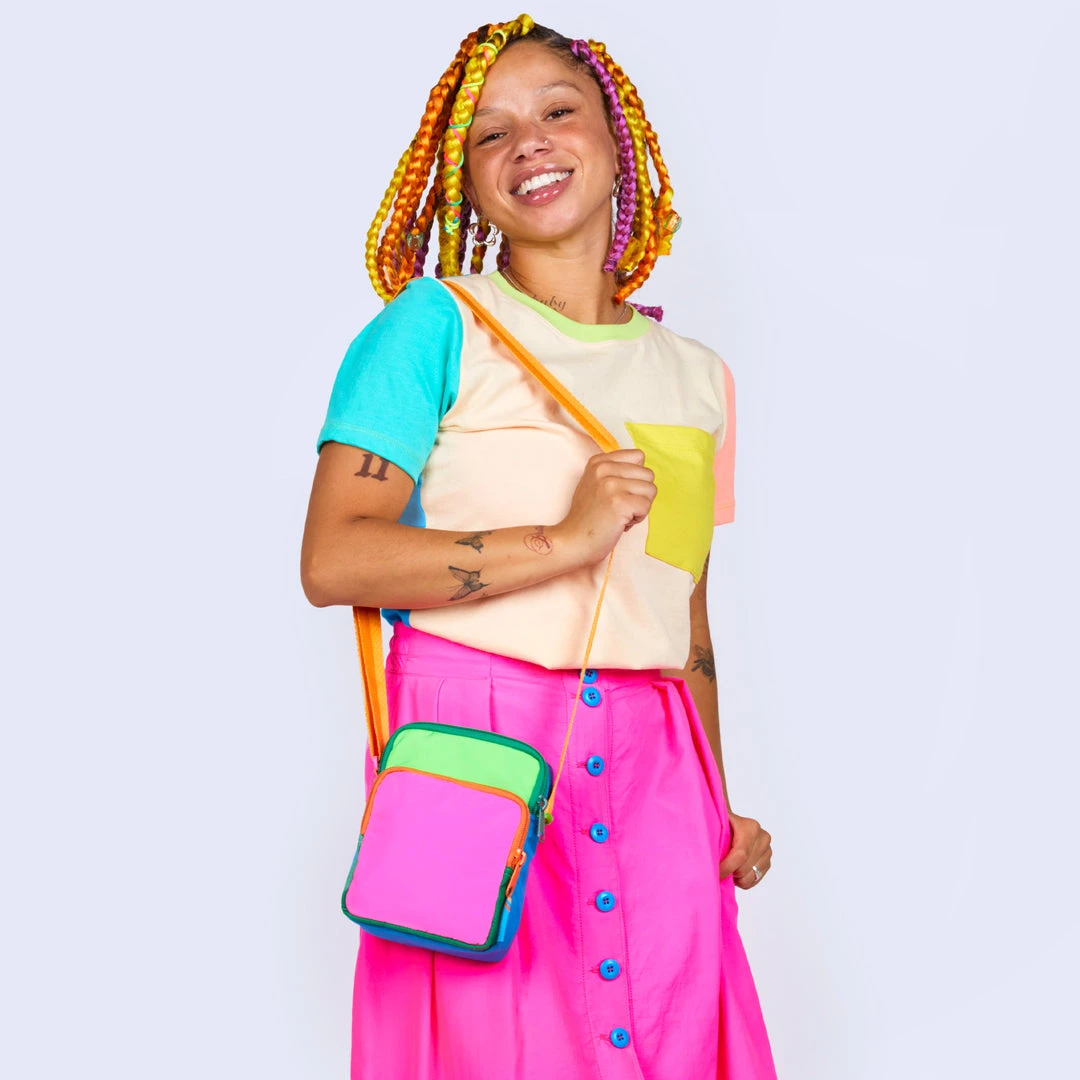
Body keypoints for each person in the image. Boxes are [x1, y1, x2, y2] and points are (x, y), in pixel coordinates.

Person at [301, 15, 777, 1079]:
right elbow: (334, 559)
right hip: (476, 758)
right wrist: (563, 539)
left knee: (669, 1040)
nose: (530, 144)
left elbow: (685, 622)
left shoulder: (696, 376)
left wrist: (719, 799)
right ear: (467, 181)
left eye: (558, 112)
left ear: (617, 140)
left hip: (658, 773)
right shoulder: (431, 327)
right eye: (492, 134)